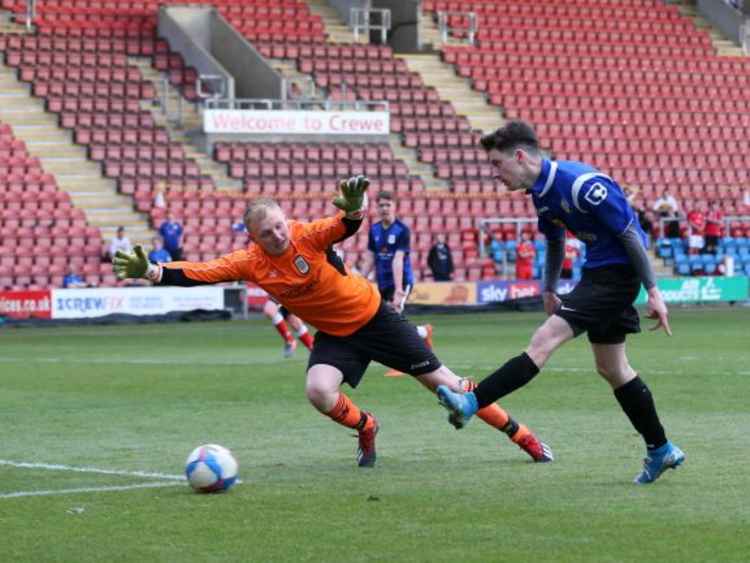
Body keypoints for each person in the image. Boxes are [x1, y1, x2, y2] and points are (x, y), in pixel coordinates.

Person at [113, 175, 552, 467]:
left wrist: (356, 208)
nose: (279, 235)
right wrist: (151, 271)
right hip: (337, 336)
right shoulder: (249, 262)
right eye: (267, 233)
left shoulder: (307, 234)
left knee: (452, 390)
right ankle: (367, 426)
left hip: (376, 319)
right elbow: (198, 271)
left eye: (280, 226)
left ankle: (524, 437)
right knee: (318, 391)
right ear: (254, 238)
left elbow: (341, 225)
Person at [435, 121, 684, 485]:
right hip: (597, 274)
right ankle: (661, 449)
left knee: (544, 340)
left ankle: (472, 402)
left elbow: (630, 233)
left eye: (497, 164)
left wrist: (655, 291)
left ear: (520, 157)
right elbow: (554, 241)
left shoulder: (582, 185)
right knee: (613, 369)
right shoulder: (542, 194)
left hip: (615, 277)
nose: (495, 174)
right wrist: (549, 288)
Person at [365, 190, 433, 376]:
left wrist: (399, 290)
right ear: (376, 207)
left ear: (394, 206)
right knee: (384, 320)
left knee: (392, 320)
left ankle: (400, 363)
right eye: (381, 205)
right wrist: (362, 279)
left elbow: (398, 260)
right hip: (383, 281)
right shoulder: (374, 230)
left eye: (388, 204)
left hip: (401, 280)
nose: (384, 208)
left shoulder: (402, 230)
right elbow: (371, 256)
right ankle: (422, 332)